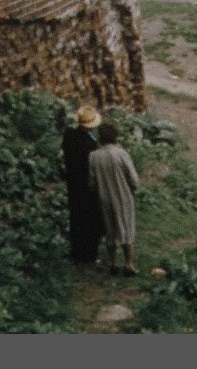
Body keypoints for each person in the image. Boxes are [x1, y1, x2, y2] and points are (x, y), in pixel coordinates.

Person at [87, 121, 141, 277]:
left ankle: (113, 263)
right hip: (123, 195)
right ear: (115, 137)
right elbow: (133, 178)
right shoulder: (121, 153)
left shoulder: (93, 156)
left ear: (100, 138)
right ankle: (129, 264)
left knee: (110, 229)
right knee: (126, 228)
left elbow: (91, 182)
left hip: (104, 197)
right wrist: (134, 189)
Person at [61, 106, 104, 268]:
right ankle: (89, 255)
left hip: (73, 182)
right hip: (87, 185)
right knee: (91, 219)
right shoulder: (90, 145)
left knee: (76, 216)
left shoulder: (69, 135)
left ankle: (76, 251)